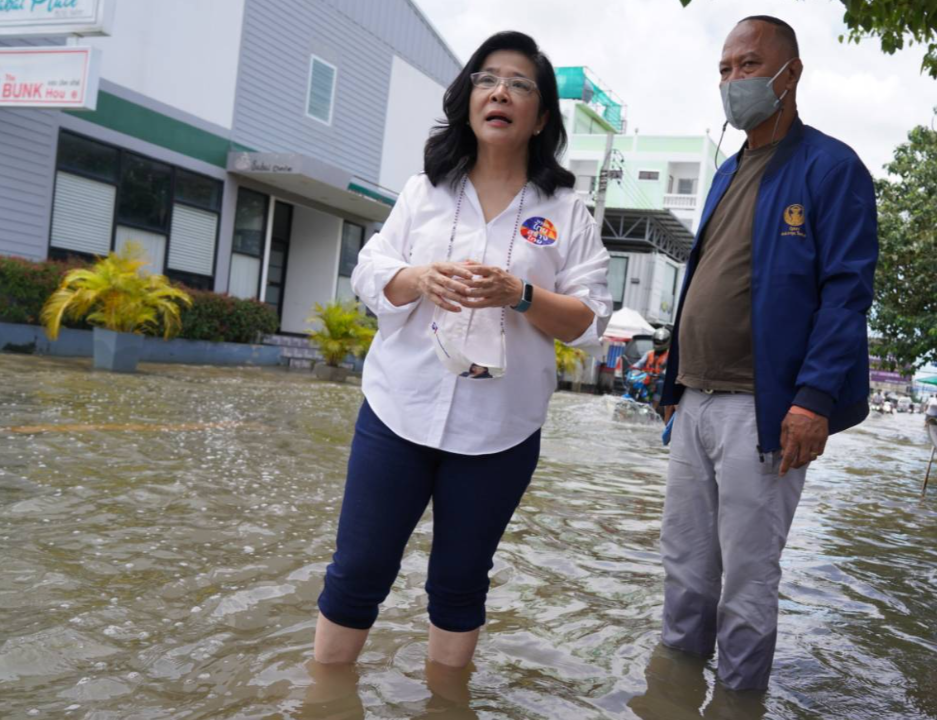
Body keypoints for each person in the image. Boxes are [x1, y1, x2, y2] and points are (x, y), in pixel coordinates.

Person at [313, 30, 611, 671]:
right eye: (487, 79)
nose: (500, 92)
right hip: (398, 410)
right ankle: (321, 701)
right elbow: (369, 272)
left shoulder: (567, 211)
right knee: (358, 569)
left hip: (500, 429)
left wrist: (519, 293)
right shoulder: (426, 190)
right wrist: (419, 277)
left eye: (519, 85)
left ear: (541, 117)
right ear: (469, 98)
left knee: (459, 581)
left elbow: (590, 320)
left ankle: (445, 706)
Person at [655, 15, 878, 692]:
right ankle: (672, 695)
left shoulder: (830, 167)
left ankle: (738, 701)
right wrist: (671, 386)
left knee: (748, 579)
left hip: (765, 408)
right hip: (694, 399)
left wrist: (813, 400)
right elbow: (704, 278)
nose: (733, 81)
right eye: (724, 70)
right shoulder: (726, 172)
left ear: (790, 73)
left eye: (748, 65)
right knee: (684, 568)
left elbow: (846, 292)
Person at [630, 327, 672, 413]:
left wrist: (662, 374)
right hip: (647, 377)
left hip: (660, 379)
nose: (658, 343)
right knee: (634, 382)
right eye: (656, 341)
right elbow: (640, 363)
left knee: (660, 384)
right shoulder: (649, 353)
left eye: (660, 342)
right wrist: (633, 368)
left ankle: (653, 408)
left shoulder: (669, 355)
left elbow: (669, 369)